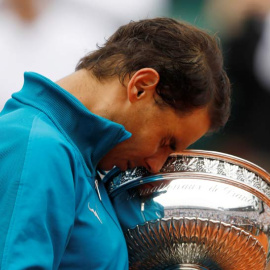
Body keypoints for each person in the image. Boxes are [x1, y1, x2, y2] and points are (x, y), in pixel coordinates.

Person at [0, 17, 231, 269]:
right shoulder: (37, 147)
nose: (157, 165)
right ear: (141, 87)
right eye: (166, 142)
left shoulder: (94, 165)